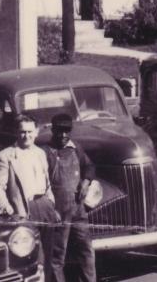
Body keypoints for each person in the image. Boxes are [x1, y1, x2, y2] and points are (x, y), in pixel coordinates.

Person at [0, 115, 60, 266]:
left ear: (36, 132)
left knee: (49, 255)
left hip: (45, 206)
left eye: (30, 131)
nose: (26, 136)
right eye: (22, 132)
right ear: (17, 132)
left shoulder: (41, 153)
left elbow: (47, 183)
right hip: (24, 209)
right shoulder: (5, 156)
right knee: (32, 256)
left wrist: (51, 204)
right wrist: (6, 208)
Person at [43, 114, 97, 282]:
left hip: (78, 210)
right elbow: (41, 183)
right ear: (53, 130)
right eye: (59, 131)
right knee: (57, 255)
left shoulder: (76, 148)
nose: (63, 135)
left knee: (86, 250)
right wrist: (51, 209)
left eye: (67, 131)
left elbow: (89, 166)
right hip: (58, 212)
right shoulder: (45, 152)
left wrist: (86, 182)